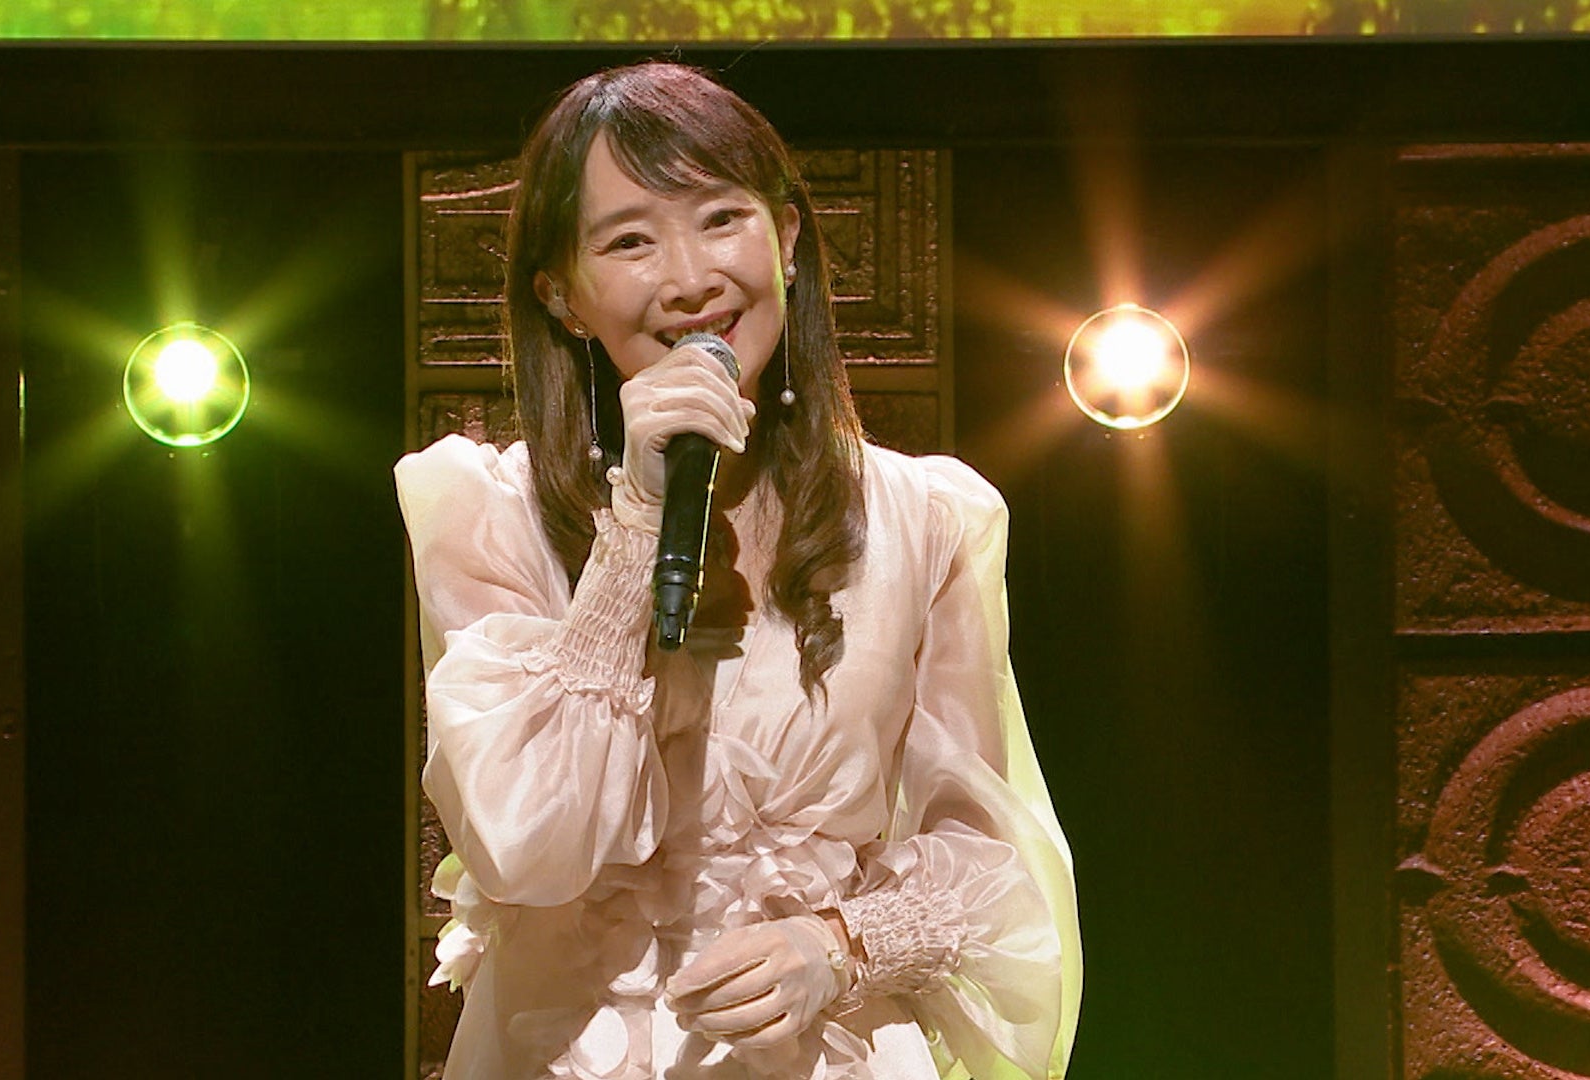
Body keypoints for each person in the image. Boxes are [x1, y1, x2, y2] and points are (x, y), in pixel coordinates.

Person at [395, 60, 1080, 1080]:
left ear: (787, 240)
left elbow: (991, 864)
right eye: (629, 241)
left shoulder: (926, 518)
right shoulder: (487, 513)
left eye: (721, 220)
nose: (689, 278)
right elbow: (528, 843)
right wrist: (636, 522)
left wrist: (837, 948)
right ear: (563, 295)